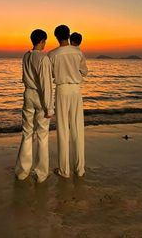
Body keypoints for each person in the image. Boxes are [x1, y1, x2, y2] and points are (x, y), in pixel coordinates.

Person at [48, 25, 88, 178]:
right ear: (69, 35)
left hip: (62, 90)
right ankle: (80, 169)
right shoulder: (78, 52)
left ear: (56, 37)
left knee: (63, 129)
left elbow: (50, 73)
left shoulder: (52, 54)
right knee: (78, 129)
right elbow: (84, 71)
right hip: (76, 90)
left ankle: (64, 171)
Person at [15, 29, 54, 183]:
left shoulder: (26, 56)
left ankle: (22, 172)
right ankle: (41, 174)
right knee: (42, 135)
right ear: (42, 41)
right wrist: (49, 107)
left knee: (26, 133)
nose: (45, 43)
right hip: (39, 95)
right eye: (45, 41)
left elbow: (24, 76)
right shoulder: (43, 59)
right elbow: (46, 84)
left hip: (28, 94)